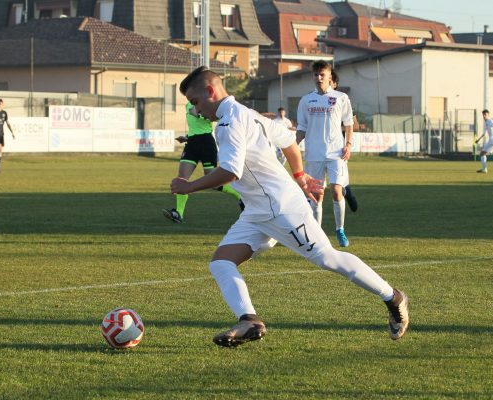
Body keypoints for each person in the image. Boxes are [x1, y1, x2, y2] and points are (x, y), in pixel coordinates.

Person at [171, 66, 409, 347]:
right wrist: (300, 176)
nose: (196, 111)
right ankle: (249, 320)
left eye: (196, 102)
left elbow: (230, 172)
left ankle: (393, 297)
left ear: (210, 92)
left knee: (327, 259)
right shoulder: (247, 114)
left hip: (282, 208)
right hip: (257, 211)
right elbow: (288, 141)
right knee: (222, 262)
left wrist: (189, 187)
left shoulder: (229, 123)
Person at [296, 61, 353, 247]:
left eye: (322, 75)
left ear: (330, 77)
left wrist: (348, 144)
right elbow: (302, 128)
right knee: (317, 195)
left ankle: (340, 230)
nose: (319, 78)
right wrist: (292, 146)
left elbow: (348, 124)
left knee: (336, 191)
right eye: (316, 75)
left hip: (336, 152)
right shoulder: (306, 100)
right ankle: (317, 235)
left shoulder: (341, 98)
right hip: (314, 153)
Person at [162, 102, 243, 223]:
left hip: (206, 143)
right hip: (192, 144)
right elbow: (195, 125)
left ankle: (240, 196)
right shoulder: (189, 105)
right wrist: (187, 137)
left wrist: (201, 114)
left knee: (213, 182)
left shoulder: (205, 104)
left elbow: (209, 117)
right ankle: (178, 213)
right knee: (181, 179)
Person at [331, 70, 358, 213]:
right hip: (322, 147)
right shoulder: (315, 100)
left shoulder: (342, 100)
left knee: (340, 181)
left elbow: (355, 125)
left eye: (330, 81)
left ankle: (347, 192)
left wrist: (338, 128)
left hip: (339, 146)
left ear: (335, 84)